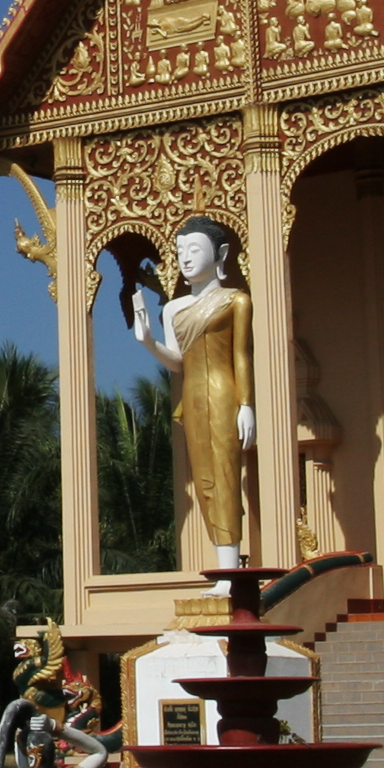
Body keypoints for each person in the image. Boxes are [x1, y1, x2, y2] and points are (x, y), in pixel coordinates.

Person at [129, 216, 255, 562]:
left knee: (226, 476)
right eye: (180, 250)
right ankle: (222, 565)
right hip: (193, 398)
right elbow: (177, 362)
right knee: (204, 480)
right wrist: (148, 341)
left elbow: (240, 356)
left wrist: (246, 404)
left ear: (221, 253)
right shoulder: (173, 308)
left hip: (224, 392)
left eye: (194, 249)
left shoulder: (235, 300)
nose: (185, 258)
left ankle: (230, 572)